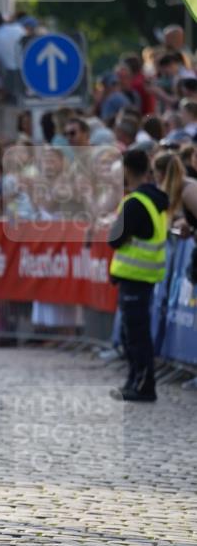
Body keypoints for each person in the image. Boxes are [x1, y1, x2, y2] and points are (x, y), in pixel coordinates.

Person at [108, 149, 169, 403]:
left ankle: (143, 385)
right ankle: (135, 381)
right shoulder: (155, 198)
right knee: (132, 333)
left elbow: (114, 238)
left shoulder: (135, 202)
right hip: (143, 276)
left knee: (135, 335)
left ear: (128, 170)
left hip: (135, 276)